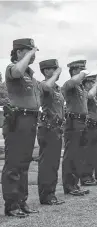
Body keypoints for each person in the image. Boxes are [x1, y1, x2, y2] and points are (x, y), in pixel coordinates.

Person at [2, 38, 40, 217]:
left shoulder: (29, 74)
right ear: (18, 52)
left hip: (30, 119)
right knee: (14, 163)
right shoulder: (12, 68)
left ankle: (21, 201)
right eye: (28, 51)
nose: (33, 55)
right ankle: (11, 205)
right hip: (18, 119)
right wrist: (31, 53)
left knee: (24, 163)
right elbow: (17, 71)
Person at [37, 59, 65, 205]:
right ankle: (46, 195)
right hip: (48, 128)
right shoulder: (43, 84)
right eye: (53, 69)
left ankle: (51, 193)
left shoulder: (57, 89)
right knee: (47, 163)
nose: (57, 72)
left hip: (56, 128)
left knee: (53, 163)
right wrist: (56, 74)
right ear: (46, 71)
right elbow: (47, 86)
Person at [62, 60, 90, 196]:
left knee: (79, 155)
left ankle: (75, 184)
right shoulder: (70, 84)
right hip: (73, 121)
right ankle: (69, 185)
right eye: (81, 70)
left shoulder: (81, 88)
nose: (83, 73)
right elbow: (72, 82)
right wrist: (79, 76)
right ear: (74, 72)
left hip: (82, 122)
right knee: (71, 154)